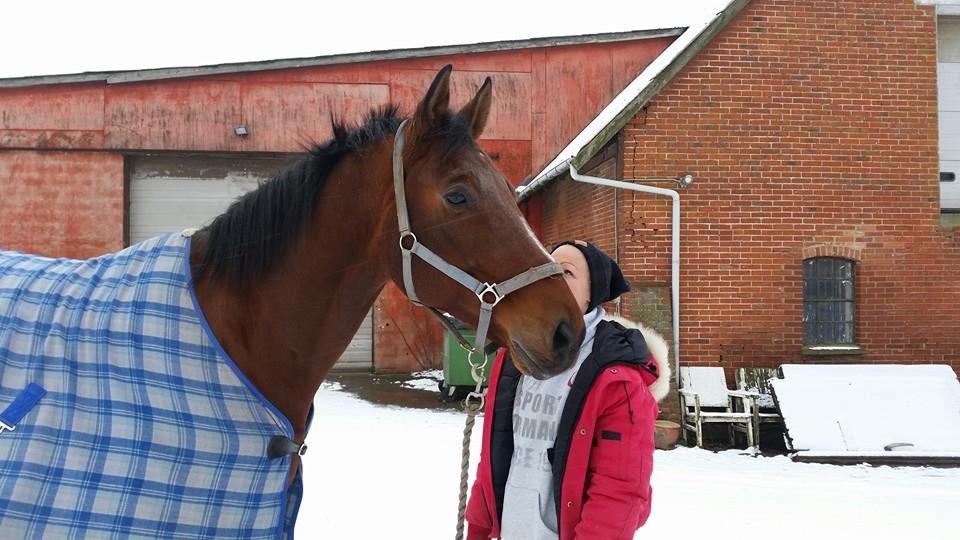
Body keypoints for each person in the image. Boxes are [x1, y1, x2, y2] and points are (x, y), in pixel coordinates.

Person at [465, 240, 670, 540]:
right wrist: (478, 531)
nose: (551, 279)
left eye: (566, 272)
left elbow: (619, 489)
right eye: (546, 270)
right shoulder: (516, 359)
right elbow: (494, 460)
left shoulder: (619, 379)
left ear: (592, 295)